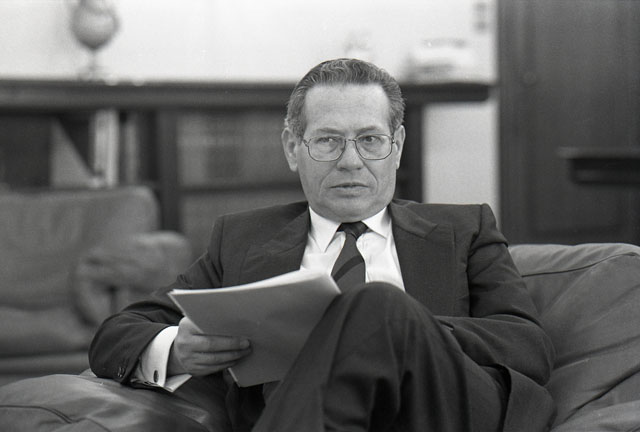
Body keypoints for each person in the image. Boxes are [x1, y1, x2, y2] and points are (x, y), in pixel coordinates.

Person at [89, 58, 555, 431]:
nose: (351, 161)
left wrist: (394, 333)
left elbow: (528, 345)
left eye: (370, 140)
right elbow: (118, 334)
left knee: (376, 306)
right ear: (293, 148)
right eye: (328, 141)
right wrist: (176, 348)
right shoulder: (242, 241)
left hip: (442, 409)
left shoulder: (464, 227)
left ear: (396, 146)